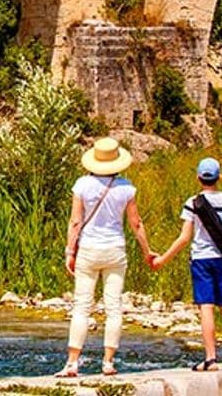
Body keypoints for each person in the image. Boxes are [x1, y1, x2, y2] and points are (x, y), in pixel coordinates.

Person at [57, 137, 155, 378]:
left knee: (81, 306)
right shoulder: (126, 188)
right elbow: (136, 223)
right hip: (115, 249)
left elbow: (75, 221)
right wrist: (147, 251)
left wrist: (70, 250)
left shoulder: (81, 185)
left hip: (88, 248)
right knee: (113, 307)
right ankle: (108, 362)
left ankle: (72, 363)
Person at [152, 156, 222, 371]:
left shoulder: (193, 203)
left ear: (198, 178)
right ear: (220, 176)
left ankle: (211, 359)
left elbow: (184, 237)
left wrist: (162, 259)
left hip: (202, 259)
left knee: (206, 308)